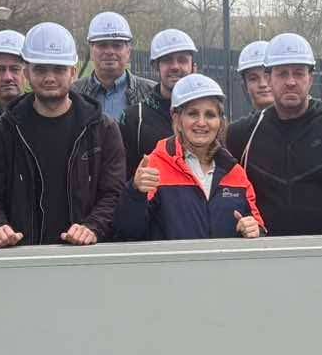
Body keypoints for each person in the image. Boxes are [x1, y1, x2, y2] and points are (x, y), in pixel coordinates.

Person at [0, 22, 125, 248]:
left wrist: (93, 227)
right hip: (22, 254)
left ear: (73, 72)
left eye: (59, 69)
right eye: (40, 69)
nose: (50, 77)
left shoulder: (103, 129)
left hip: (85, 255)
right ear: (27, 72)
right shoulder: (4, 129)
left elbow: (114, 194)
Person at [227, 32, 322, 236]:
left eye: (298, 73)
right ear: (269, 78)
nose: (291, 81)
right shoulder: (244, 134)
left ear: (310, 79)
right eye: (282, 74)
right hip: (267, 251)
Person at [114, 74, 265, 241]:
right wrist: (135, 192)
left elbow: (258, 228)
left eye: (210, 115)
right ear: (177, 119)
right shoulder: (154, 167)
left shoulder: (235, 172)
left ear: (220, 122)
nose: (201, 123)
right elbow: (127, 232)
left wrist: (254, 229)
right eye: (193, 114)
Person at [112, 27, 196, 179]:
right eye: (167, 60)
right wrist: (135, 186)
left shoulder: (209, 117)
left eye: (182, 60)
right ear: (156, 66)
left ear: (193, 66)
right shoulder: (134, 118)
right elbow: (121, 179)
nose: (175, 66)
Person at [73, 11, 156, 125]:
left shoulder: (152, 93)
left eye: (117, 45)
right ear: (91, 50)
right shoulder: (73, 93)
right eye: (102, 45)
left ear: (128, 51)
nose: (109, 52)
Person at [235, 39, 274, 114]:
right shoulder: (243, 123)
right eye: (253, 79)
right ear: (244, 86)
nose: (263, 84)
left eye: (268, 76)